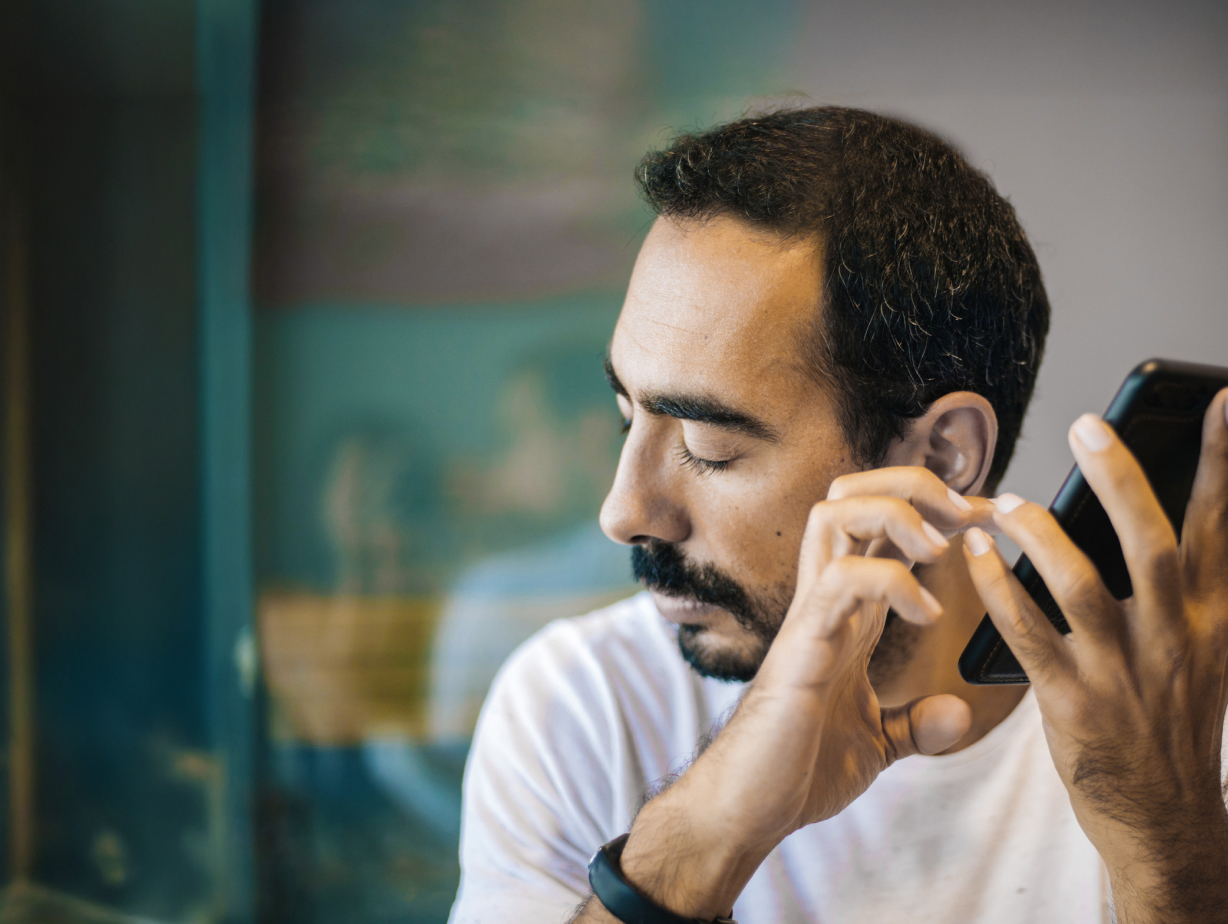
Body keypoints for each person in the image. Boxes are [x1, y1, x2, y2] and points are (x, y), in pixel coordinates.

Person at [448, 107, 1228, 923]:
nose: (623, 511)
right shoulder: (585, 702)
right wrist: (706, 833)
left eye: (711, 446)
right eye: (626, 415)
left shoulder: (1186, 734)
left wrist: (1168, 847)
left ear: (940, 458)